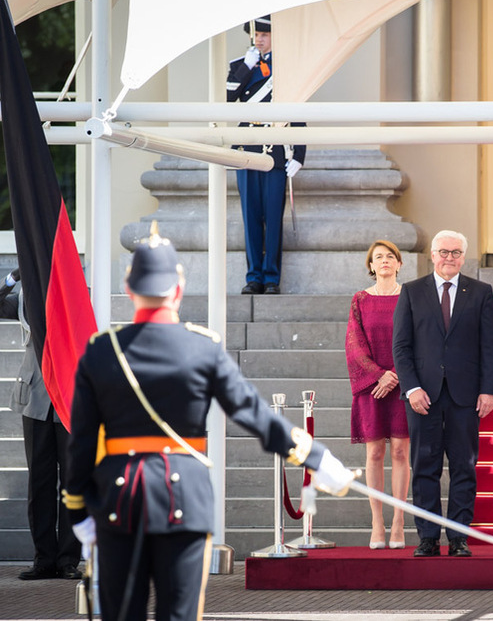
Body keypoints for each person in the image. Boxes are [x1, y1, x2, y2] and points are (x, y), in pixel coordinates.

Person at [61, 229, 354, 621]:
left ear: (130, 289)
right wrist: (313, 456)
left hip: (120, 499)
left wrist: (79, 512)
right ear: (178, 289)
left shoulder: (101, 351)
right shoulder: (202, 347)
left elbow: (79, 443)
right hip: (186, 497)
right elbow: (253, 413)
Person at [392, 230, 493, 557]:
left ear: (463, 257)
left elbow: (489, 346)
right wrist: (411, 388)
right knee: (424, 466)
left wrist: (488, 390)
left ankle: (458, 537)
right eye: (443, 252)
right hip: (422, 396)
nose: (449, 257)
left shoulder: (480, 292)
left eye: (455, 252)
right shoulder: (411, 292)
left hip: (466, 395)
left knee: (464, 466)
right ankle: (427, 537)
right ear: (432, 256)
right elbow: (401, 346)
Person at [0, 269, 82, 580]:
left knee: (72, 483)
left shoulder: (75, 294)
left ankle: (67, 561)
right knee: (40, 483)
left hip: (68, 400)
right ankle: (44, 560)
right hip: (36, 399)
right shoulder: (26, 299)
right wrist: (13, 277)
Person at [227, 14, 305, 295]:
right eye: (255, 34)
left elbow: (298, 112)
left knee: (273, 219)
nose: (259, 39)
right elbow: (227, 99)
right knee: (251, 218)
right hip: (246, 150)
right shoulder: (239, 67)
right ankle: (253, 276)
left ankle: (271, 278)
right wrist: (247, 69)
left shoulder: (287, 70)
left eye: (264, 34)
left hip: (275, 152)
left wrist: (299, 154)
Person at [345, 240, 410, 550]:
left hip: (403, 384)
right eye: (378, 257)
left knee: (400, 452)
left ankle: (398, 522)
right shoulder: (360, 299)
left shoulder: (411, 297)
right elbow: (354, 345)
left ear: (399, 264)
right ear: (371, 266)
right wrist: (378, 375)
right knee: (374, 454)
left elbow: (418, 340)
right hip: (373, 386)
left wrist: (395, 374)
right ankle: (377, 522)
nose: (384, 261)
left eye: (390, 257)